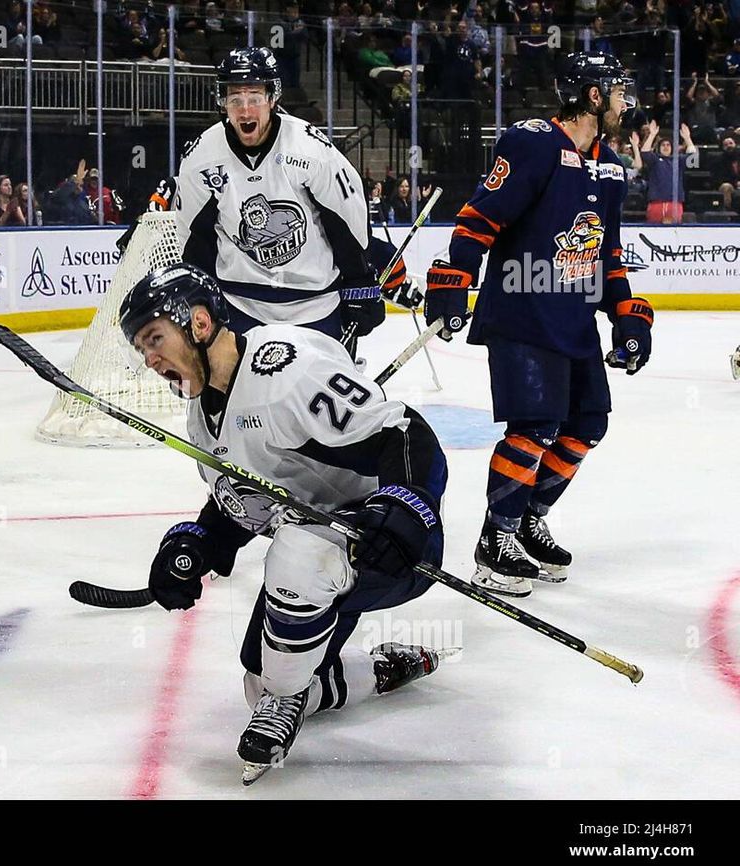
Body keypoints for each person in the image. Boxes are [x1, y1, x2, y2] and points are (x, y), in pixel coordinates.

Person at [119, 262, 452, 784]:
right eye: (142, 349)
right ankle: (382, 669)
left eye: (155, 338)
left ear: (200, 323)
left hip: (393, 547)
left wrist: (404, 511)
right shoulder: (200, 419)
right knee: (262, 680)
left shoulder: (285, 367)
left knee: (295, 558)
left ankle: (286, 695)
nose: (150, 359)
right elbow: (244, 505)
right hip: (326, 551)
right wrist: (195, 545)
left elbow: (405, 433)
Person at [424, 53, 654, 597]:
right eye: (618, 90)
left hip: (573, 318)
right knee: (535, 426)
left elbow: (607, 253)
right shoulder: (532, 142)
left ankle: (527, 518)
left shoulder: (612, 168)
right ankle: (494, 539)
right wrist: (456, 274)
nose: (625, 101)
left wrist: (626, 315)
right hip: (522, 312)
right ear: (593, 96)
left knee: (587, 424)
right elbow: (481, 215)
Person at [175, 47, 411, 358]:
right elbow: (195, 243)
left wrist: (360, 284)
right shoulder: (201, 160)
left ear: (272, 98)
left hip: (316, 306)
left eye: (255, 98)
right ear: (223, 103)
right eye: (235, 100)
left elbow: (346, 224)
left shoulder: (311, 150)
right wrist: (197, 300)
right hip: (240, 305)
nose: (245, 111)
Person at [640, 120, 695, 224]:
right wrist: (652, 135)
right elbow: (645, 152)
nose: (665, 147)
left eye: (668, 145)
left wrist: (687, 138)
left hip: (674, 203)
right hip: (656, 202)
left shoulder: (678, 160)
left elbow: (693, 157)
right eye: (663, 145)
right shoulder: (655, 160)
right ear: (659, 148)